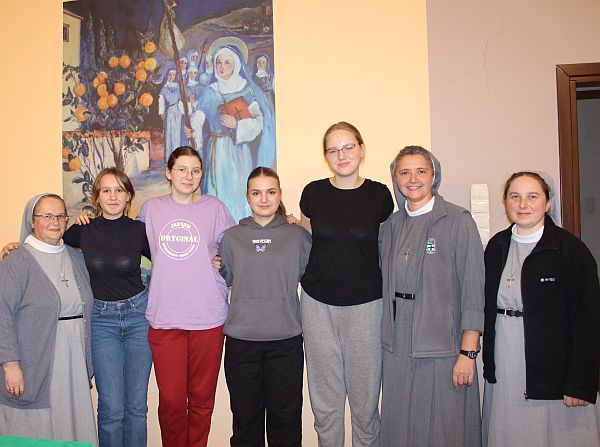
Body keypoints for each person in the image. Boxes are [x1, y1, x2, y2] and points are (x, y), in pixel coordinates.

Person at [482, 171, 600, 446]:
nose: (523, 204)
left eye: (532, 197)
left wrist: (580, 382)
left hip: (554, 366)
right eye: (515, 197)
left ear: (547, 203)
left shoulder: (570, 251)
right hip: (506, 356)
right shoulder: (496, 247)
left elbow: (588, 320)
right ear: (506, 203)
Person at [379, 145, 484, 447]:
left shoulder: (458, 221)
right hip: (397, 345)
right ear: (396, 178)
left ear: (434, 175)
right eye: (405, 172)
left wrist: (468, 353)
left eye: (421, 171)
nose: (413, 179)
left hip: (443, 347)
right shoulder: (391, 226)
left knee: (445, 430)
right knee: (401, 428)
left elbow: (474, 289)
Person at [299, 122, 394, 447]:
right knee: (325, 402)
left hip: (367, 306)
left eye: (348, 147)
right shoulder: (313, 193)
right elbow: (304, 240)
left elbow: (388, 248)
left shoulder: (379, 195)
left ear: (362, 149)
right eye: (333, 150)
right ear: (326, 156)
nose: (341, 155)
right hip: (318, 305)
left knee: (365, 404)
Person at [138, 146, 235, 447]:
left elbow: (237, 246)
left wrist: (224, 261)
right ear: (168, 173)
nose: (189, 176)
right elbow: (122, 242)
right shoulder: (151, 209)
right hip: (165, 317)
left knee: (203, 399)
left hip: (208, 316)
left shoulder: (215, 208)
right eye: (181, 169)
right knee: (172, 401)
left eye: (195, 170)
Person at [219, 166, 311, 447]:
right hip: (241, 342)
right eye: (256, 193)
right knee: (246, 422)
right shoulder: (232, 237)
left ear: (280, 194)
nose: (264, 199)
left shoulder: (297, 236)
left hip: (285, 341)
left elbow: (314, 277)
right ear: (247, 196)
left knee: (286, 421)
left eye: (270, 192)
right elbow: (226, 277)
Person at [0, 194, 97, 445]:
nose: (54, 221)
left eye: (60, 216)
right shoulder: (17, 260)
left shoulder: (76, 257)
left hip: (74, 355)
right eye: (46, 216)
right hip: (35, 359)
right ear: (32, 221)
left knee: (73, 420)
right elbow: (2, 314)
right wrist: (10, 365)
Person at [188, 44, 276, 223]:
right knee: (217, 189)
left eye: (227, 62)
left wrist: (237, 125)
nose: (222, 67)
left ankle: (240, 227)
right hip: (216, 150)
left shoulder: (246, 89)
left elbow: (258, 122)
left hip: (239, 152)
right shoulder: (210, 90)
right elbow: (198, 117)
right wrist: (192, 128)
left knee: (237, 189)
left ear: (236, 64)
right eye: (218, 62)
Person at [158, 68, 182, 161]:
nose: (171, 77)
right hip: (169, 112)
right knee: (169, 133)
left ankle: (177, 156)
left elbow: (181, 98)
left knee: (177, 133)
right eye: (169, 75)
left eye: (173, 75)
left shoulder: (178, 86)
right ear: (167, 75)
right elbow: (161, 101)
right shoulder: (164, 88)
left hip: (177, 110)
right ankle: (169, 157)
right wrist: (162, 112)